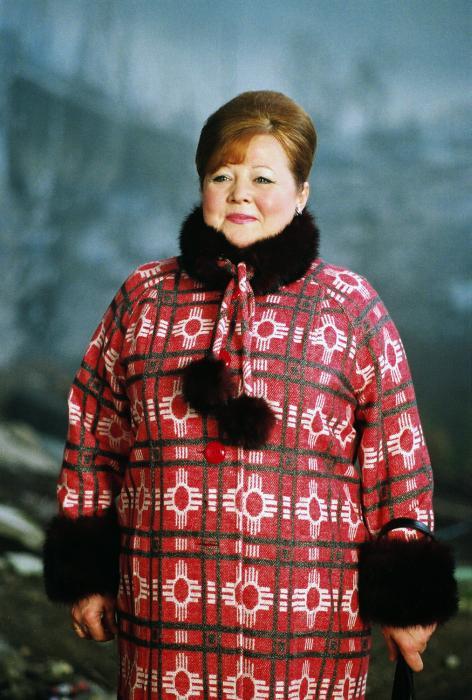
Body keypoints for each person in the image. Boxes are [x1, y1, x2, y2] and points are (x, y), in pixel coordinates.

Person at [43, 91, 457, 699]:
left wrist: (408, 601)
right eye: (223, 176)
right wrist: (85, 575)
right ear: (202, 185)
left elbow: (397, 461)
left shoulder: (349, 307)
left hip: (309, 625)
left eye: (263, 178)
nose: (240, 194)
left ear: (302, 192)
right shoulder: (143, 298)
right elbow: (93, 441)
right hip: (164, 616)